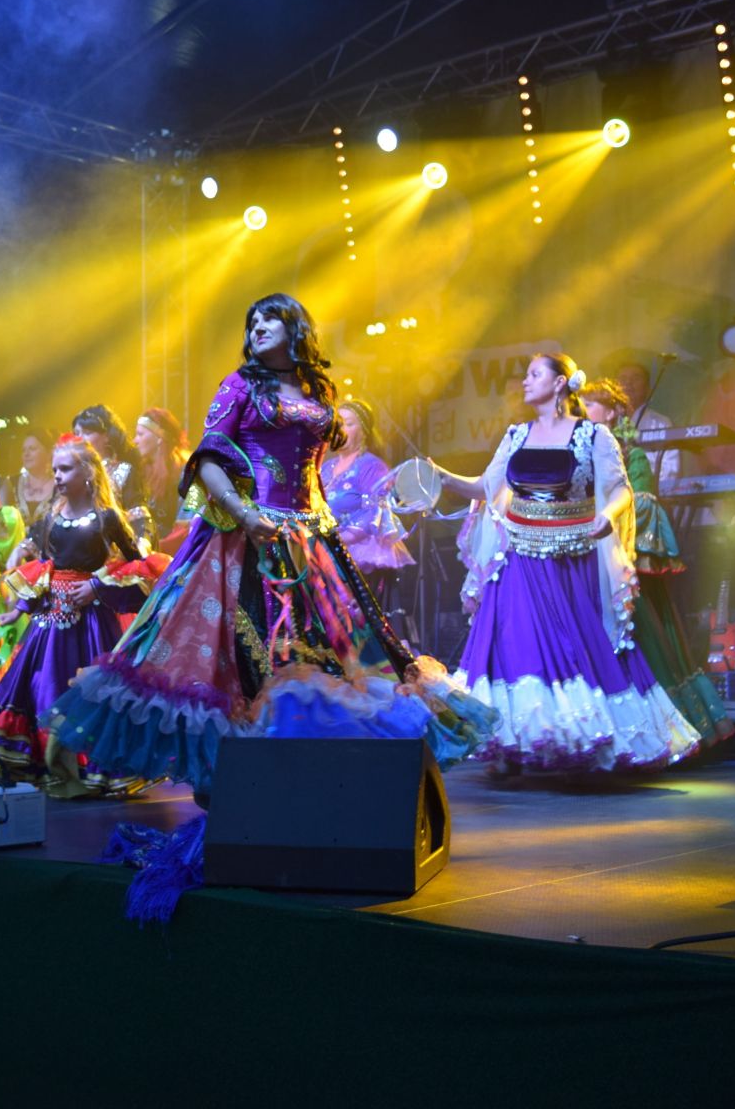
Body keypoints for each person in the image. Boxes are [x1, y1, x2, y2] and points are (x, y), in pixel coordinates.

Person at [48, 293, 490, 798]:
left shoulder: (319, 390)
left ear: (295, 328)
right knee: (251, 652)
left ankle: (312, 779)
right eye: (251, 321)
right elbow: (207, 460)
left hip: (312, 538)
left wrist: (321, 526)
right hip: (251, 534)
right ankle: (246, 785)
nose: (257, 327)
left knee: (335, 653)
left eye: (269, 319)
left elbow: (315, 467)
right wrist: (244, 514)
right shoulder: (239, 386)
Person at [431, 352, 699, 771]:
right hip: (518, 556)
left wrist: (607, 516)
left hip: (571, 561)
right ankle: (522, 741)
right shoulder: (516, 435)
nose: (525, 381)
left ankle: (576, 740)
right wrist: (442, 477)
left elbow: (621, 490)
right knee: (517, 645)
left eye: (534, 374)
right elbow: (485, 487)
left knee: (575, 651)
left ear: (560, 383)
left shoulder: (593, 435)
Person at [0, 435, 164, 781]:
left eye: (66, 469)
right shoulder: (51, 518)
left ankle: (84, 764)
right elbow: (44, 569)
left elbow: (137, 566)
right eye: (55, 469)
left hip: (91, 624)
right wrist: (21, 609)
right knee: (42, 684)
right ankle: (45, 761)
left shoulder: (106, 518)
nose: (57, 475)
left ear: (88, 473)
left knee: (84, 689)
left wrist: (97, 587)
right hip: (49, 622)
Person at [579, 378, 733, 745]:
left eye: (590, 406)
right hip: (587, 566)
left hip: (624, 570)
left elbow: (642, 509)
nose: (583, 413)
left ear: (612, 413)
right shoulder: (579, 456)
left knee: (639, 646)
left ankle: (658, 737)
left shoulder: (631, 457)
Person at [320, 396, 414, 605]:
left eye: (349, 424)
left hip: (356, 556)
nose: (341, 429)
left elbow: (375, 512)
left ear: (363, 432)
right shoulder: (325, 468)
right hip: (326, 554)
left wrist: (340, 538)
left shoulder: (372, 466)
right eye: (338, 424)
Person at [73, 404, 153, 544]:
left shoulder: (124, 471)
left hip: (114, 548)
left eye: (87, 432)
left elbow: (139, 519)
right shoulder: (69, 472)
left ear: (106, 436)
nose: (80, 439)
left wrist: (142, 545)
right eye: (77, 433)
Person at [133, 407, 196, 551]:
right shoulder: (139, 471)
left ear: (159, 438)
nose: (135, 440)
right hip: (146, 546)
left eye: (140, 434)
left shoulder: (186, 472)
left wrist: (153, 549)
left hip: (173, 550)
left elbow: (185, 525)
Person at [616, 360, 679, 491]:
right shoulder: (607, 421)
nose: (628, 383)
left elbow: (671, 470)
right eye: (623, 379)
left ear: (647, 389)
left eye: (636, 378)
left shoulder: (661, 422)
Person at [14, 429, 56, 524]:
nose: (26, 454)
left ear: (48, 453)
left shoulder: (60, 485)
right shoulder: (12, 483)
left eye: (32, 449)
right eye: (23, 450)